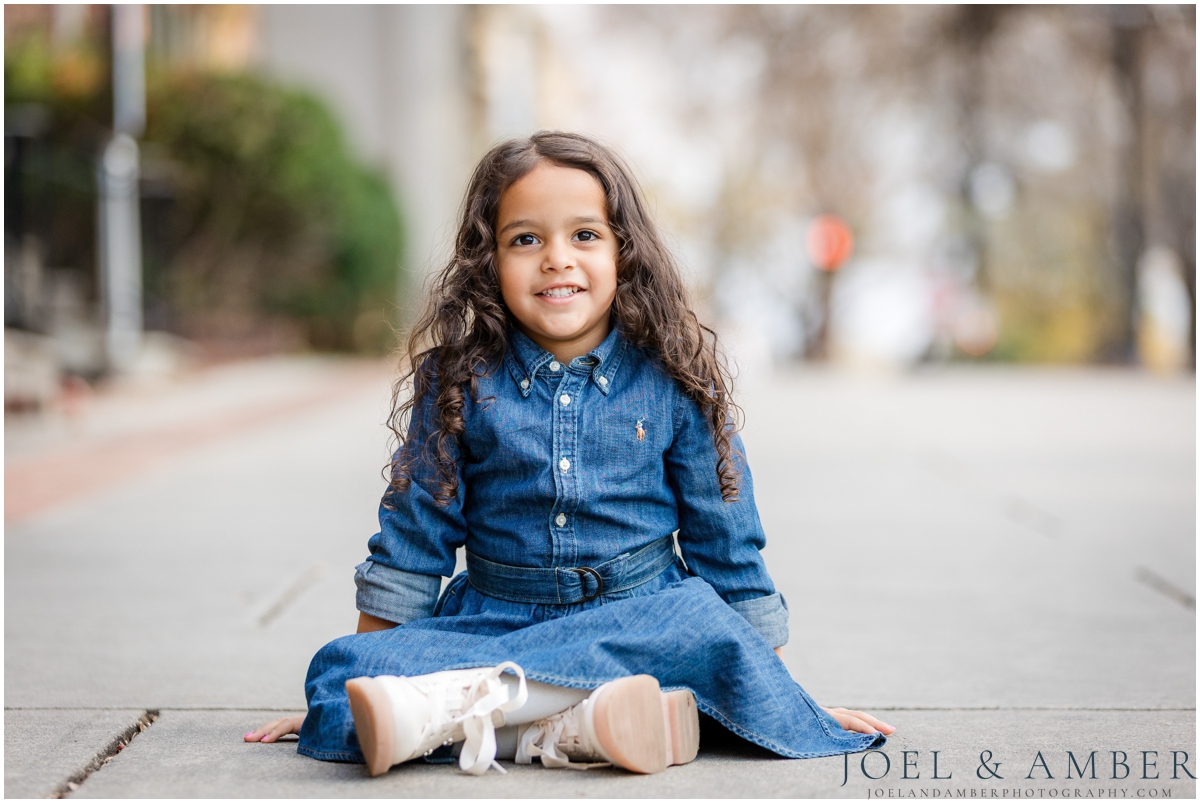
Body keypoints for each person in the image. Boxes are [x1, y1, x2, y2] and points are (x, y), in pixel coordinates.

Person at [245, 131, 894, 776]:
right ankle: (575, 724)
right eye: (525, 239)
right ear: (488, 259)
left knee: (702, 623)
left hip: (639, 617)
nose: (556, 258)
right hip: (497, 624)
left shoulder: (674, 374)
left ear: (624, 253)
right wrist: (370, 683)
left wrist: (778, 693)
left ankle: (470, 715)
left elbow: (727, 547)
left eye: (584, 235)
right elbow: (412, 544)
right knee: (338, 671)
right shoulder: (457, 380)